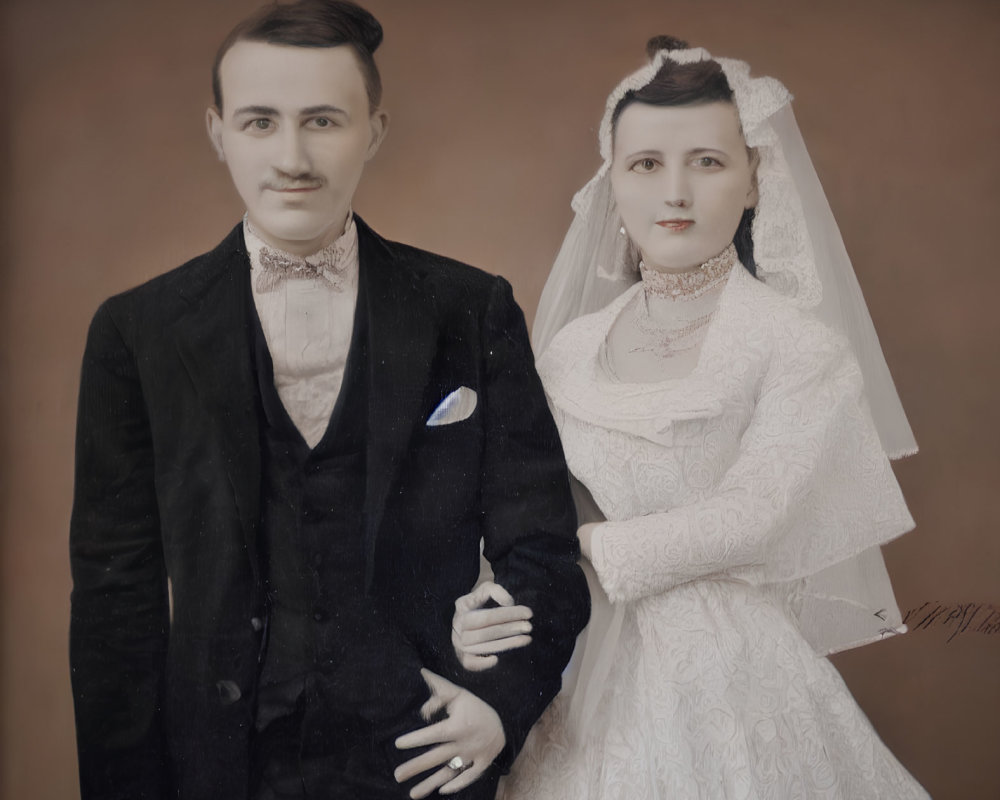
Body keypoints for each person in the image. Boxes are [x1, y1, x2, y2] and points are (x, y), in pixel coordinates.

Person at [68, 2, 589, 798]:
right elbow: (115, 598)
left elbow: (543, 551)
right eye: (258, 123)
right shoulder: (136, 332)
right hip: (214, 770)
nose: (293, 156)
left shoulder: (469, 309)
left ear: (374, 131)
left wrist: (499, 705)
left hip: (423, 762)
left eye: (323, 120)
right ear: (217, 134)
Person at [451, 37, 930, 798]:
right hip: (572, 668)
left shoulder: (797, 345)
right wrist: (487, 597)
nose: (674, 193)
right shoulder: (571, 350)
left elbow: (756, 515)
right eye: (645, 165)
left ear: (753, 179)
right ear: (614, 181)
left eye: (706, 162)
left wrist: (579, 553)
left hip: (727, 673)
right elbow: (514, 504)